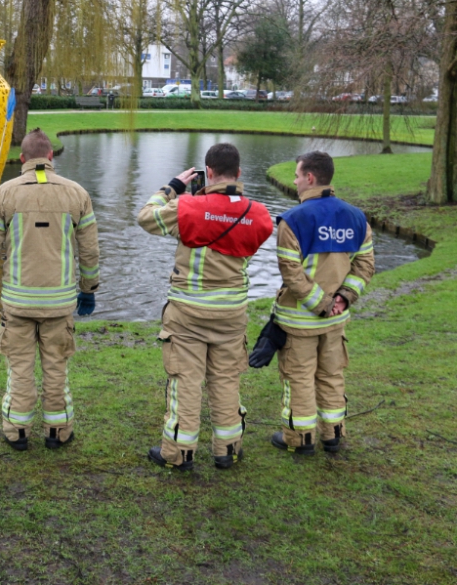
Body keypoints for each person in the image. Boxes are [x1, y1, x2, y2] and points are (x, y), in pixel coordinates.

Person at [138, 143, 272, 470]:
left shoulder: (188, 206)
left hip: (188, 314)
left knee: (185, 381)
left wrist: (173, 186)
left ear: (207, 173)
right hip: (231, 314)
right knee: (226, 380)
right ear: (238, 173)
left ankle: (178, 454)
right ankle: (228, 449)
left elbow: (146, 218)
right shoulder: (260, 215)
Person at [0, 128, 100, 451]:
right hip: (60, 304)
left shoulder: (4, 194)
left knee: (19, 368)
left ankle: (17, 430)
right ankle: (57, 430)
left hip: (17, 303)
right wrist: (88, 289)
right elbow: (89, 252)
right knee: (56, 366)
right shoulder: (77, 194)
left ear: (22, 159)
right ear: (50, 157)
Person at [267, 151, 374, 455]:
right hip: (336, 320)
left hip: (300, 320)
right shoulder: (357, 217)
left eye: (297, 175)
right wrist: (342, 299)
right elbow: (364, 267)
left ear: (310, 178)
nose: (295, 180)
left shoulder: (293, 219)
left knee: (299, 378)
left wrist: (320, 303)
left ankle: (299, 439)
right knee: (331, 375)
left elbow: (291, 273)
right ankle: (333, 435)